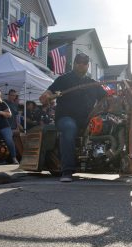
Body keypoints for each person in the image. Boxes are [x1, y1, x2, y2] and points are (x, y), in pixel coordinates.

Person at [39, 53, 107, 182]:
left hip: (87, 120)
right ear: (74, 63)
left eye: (84, 63)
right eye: (79, 62)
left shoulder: (92, 84)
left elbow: (106, 98)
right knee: (69, 128)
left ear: (88, 66)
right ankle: (67, 170)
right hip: (66, 117)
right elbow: (49, 92)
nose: (81, 65)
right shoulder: (63, 79)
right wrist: (45, 96)